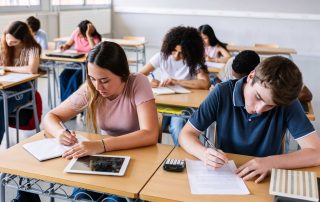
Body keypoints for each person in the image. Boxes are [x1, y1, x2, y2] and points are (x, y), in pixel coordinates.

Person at [42, 41, 158, 201]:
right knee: (81, 197)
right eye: (92, 78)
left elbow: (150, 134)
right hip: (104, 156)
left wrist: (102, 145)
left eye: (105, 80)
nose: (98, 86)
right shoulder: (91, 88)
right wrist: (60, 132)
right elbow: (50, 117)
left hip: (137, 156)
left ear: (122, 74)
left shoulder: (138, 82)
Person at [179, 56, 320, 183]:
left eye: (270, 106)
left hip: (265, 179)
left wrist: (272, 162)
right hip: (226, 175)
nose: (259, 110)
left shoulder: (286, 103)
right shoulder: (222, 93)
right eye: (258, 97)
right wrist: (203, 153)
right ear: (251, 76)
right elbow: (186, 134)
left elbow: (317, 153)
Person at [139, 26, 210, 145]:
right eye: (174, 51)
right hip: (163, 102)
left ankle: (185, 157)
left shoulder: (193, 61)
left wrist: (176, 81)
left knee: (177, 128)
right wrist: (149, 82)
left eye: (181, 53)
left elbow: (205, 83)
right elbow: (139, 75)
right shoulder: (161, 56)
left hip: (185, 105)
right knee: (151, 128)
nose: (176, 56)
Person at [0, 21, 41, 145]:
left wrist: (7, 68)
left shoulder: (33, 48)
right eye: (7, 39)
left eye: (14, 41)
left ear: (23, 39)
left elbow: (31, 69)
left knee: (1, 103)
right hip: (5, 85)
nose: (9, 43)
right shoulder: (4, 46)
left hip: (24, 89)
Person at [59, 20, 102, 102]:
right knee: (63, 76)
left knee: (74, 79)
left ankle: (67, 105)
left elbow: (95, 52)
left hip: (88, 65)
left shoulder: (95, 38)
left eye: (80, 34)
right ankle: (64, 103)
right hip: (76, 62)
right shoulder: (76, 33)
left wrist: (88, 35)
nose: (77, 35)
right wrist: (64, 47)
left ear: (86, 32)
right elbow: (68, 44)